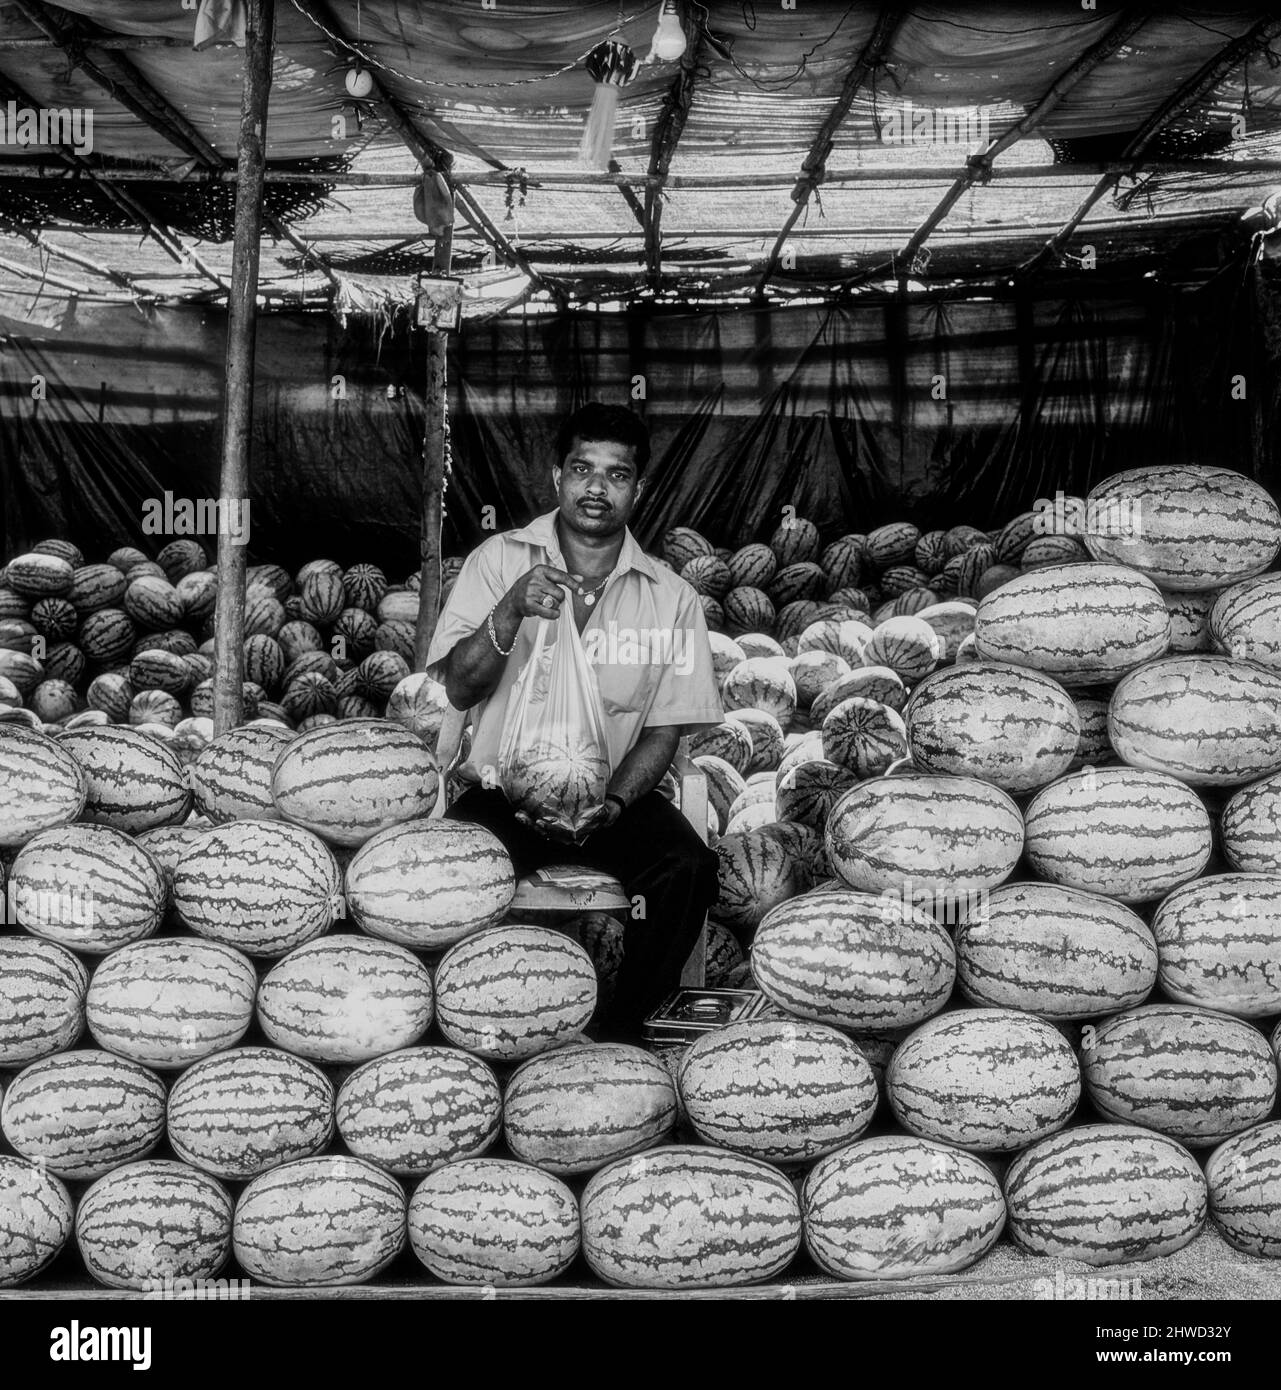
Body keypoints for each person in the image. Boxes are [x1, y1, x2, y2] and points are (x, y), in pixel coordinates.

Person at [426, 402, 724, 1040]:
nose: (597, 487)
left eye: (617, 475)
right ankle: (465, 1026)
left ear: (637, 489)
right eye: (583, 469)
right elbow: (457, 684)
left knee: (688, 871)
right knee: (442, 874)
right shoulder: (498, 561)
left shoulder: (671, 597)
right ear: (556, 476)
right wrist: (509, 612)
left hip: (611, 803)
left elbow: (663, 731)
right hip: (503, 794)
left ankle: (622, 1032)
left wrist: (613, 805)